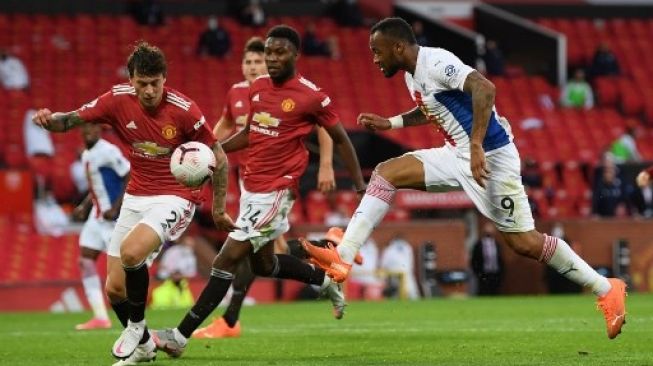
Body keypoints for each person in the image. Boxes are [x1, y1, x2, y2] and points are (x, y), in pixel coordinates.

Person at [303, 17, 626, 340]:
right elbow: (430, 108)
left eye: (377, 51)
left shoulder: (436, 61)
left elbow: (484, 88)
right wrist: (392, 124)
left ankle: (606, 288)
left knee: (524, 242)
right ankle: (343, 257)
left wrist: (475, 145)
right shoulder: (412, 77)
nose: (375, 59)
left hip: (491, 158)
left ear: (398, 47)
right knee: (386, 173)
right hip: (455, 154)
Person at [153, 25, 366, 357]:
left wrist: (358, 182)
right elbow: (251, 133)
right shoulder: (258, 89)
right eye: (268, 52)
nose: (272, 58)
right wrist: (214, 151)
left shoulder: (311, 95)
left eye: (279, 52)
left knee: (226, 259)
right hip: (251, 186)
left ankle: (178, 336)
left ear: (296, 55)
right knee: (265, 265)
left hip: (278, 190)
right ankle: (327, 282)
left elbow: (339, 137)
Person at [32, 41, 234, 365]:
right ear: (131, 79)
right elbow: (71, 119)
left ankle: (135, 328)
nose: (150, 90)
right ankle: (143, 346)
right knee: (114, 289)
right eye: (143, 83)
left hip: (176, 196)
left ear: (164, 79)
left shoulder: (185, 111)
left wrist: (220, 209)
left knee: (131, 252)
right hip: (136, 195)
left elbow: (219, 158)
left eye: (156, 83)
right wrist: (49, 119)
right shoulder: (116, 100)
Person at [194, 36, 338, 339]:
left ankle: (229, 320)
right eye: (248, 61)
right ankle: (328, 249)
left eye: (259, 61)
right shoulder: (237, 93)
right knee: (269, 254)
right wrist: (204, 151)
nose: (253, 66)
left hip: (276, 181)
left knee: (249, 251)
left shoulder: (285, 92)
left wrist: (326, 164)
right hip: (248, 180)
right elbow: (224, 126)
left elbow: (324, 126)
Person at [73, 123, 131, 330]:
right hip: (96, 217)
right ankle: (100, 317)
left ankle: (133, 317)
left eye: (93, 128)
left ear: (100, 130)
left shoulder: (108, 151)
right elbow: (96, 185)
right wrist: (84, 206)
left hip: (113, 219)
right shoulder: (87, 154)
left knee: (120, 270)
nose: (89, 132)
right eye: (85, 129)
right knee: (85, 259)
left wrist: (117, 207)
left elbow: (129, 174)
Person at [151, 237, 198, 310]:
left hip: (181, 280)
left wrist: (181, 275)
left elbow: (192, 273)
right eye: (187, 245)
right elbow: (163, 266)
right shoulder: (172, 251)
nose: (189, 248)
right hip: (166, 278)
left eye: (191, 246)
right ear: (183, 244)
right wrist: (173, 273)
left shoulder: (191, 257)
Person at [379, 234, 419, 299]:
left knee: (411, 293)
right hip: (395, 275)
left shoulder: (407, 248)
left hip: (404, 275)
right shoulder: (390, 249)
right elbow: (383, 265)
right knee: (397, 293)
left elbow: (383, 265)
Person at [470, 222, 504, 295]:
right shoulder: (479, 244)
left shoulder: (496, 244)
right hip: (483, 273)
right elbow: (474, 259)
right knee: (484, 291)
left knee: (494, 291)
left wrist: (501, 272)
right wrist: (477, 272)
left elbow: (500, 259)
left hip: (495, 273)